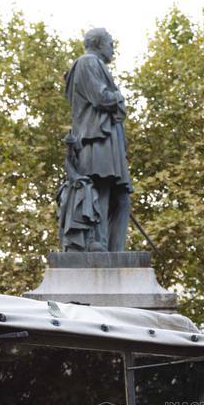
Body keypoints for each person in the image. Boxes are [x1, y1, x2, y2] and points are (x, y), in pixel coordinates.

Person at [64, 28, 131, 251]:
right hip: (96, 139)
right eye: (111, 43)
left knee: (121, 196)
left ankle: (116, 252)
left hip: (109, 140)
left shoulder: (96, 64)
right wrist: (120, 98)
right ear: (100, 43)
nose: (113, 48)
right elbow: (102, 97)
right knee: (101, 186)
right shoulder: (87, 62)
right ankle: (97, 243)